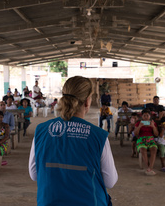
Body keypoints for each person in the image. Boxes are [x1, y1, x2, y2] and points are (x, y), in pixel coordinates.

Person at [29, 76, 118, 205]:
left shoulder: (41, 131)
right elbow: (110, 181)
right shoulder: (98, 135)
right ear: (87, 101)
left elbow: (34, 175)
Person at [134, 109, 158, 175]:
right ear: (142, 116)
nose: (146, 117)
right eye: (144, 115)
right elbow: (135, 134)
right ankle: (148, 167)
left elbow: (156, 134)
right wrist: (139, 126)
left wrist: (153, 126)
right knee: (143, 149)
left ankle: (150, 167)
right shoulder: (138, 123)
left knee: (154, 149)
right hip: (141, 139)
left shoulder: (153, 123)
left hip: (150, 138)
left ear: (150, 116)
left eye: (147, 115)